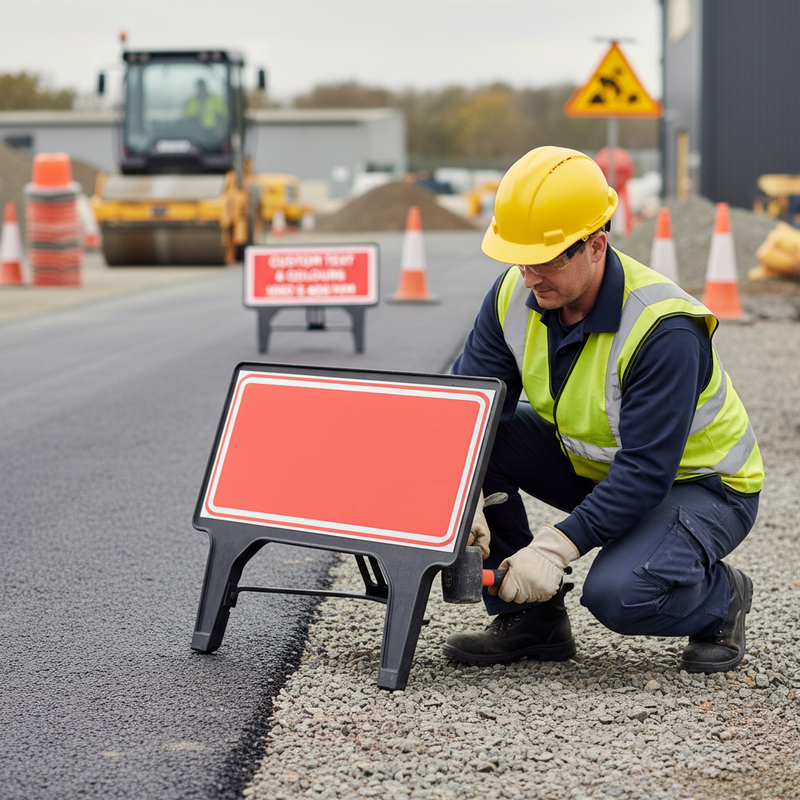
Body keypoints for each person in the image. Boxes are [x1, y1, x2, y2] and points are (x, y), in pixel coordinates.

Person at [444, 146, 763, 674]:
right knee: (485, 442)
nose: (530, 278)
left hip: (702, 486)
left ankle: (721, 597)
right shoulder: (513, 296)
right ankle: (531, 619)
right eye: (520, 259)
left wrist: (554, 548)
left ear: (596, 245)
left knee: (619, 594)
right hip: (599, 467)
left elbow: (646, 471)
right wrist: (465, 493)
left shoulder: (663, 329)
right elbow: (468, 411)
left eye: (546, 260)